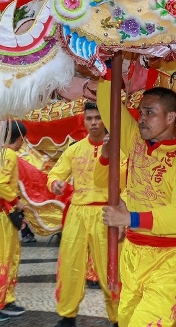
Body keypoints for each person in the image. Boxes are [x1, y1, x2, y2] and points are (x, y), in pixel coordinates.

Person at [102, 86, 176, 327]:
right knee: (125, 320)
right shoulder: (135, 142)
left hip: (172, 258)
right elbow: (109, 104)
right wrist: (107, 71)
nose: (141, 118)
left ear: (170, 117)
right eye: (141, 112)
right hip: (133, 254)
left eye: (150, 112)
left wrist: (130, 218)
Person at [48, 102, 117, 327]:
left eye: (98, 117)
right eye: (89, 118)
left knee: (111, 268)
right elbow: (55, 174)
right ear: (84, 121)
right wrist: (56, 183)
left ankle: (118, 318)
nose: (94, 122)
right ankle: (67, 316)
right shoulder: (74, 149)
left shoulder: (119, 149)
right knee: (70, 265)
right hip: (77, 213)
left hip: (107, 213)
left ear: (105, 120)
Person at [0, 121, 26, 320]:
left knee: (9, 256)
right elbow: (0, 183)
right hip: (0, 211)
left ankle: (5, 299)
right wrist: (16, 201)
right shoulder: (9, 154)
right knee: (3, 258)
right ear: (19, 139)